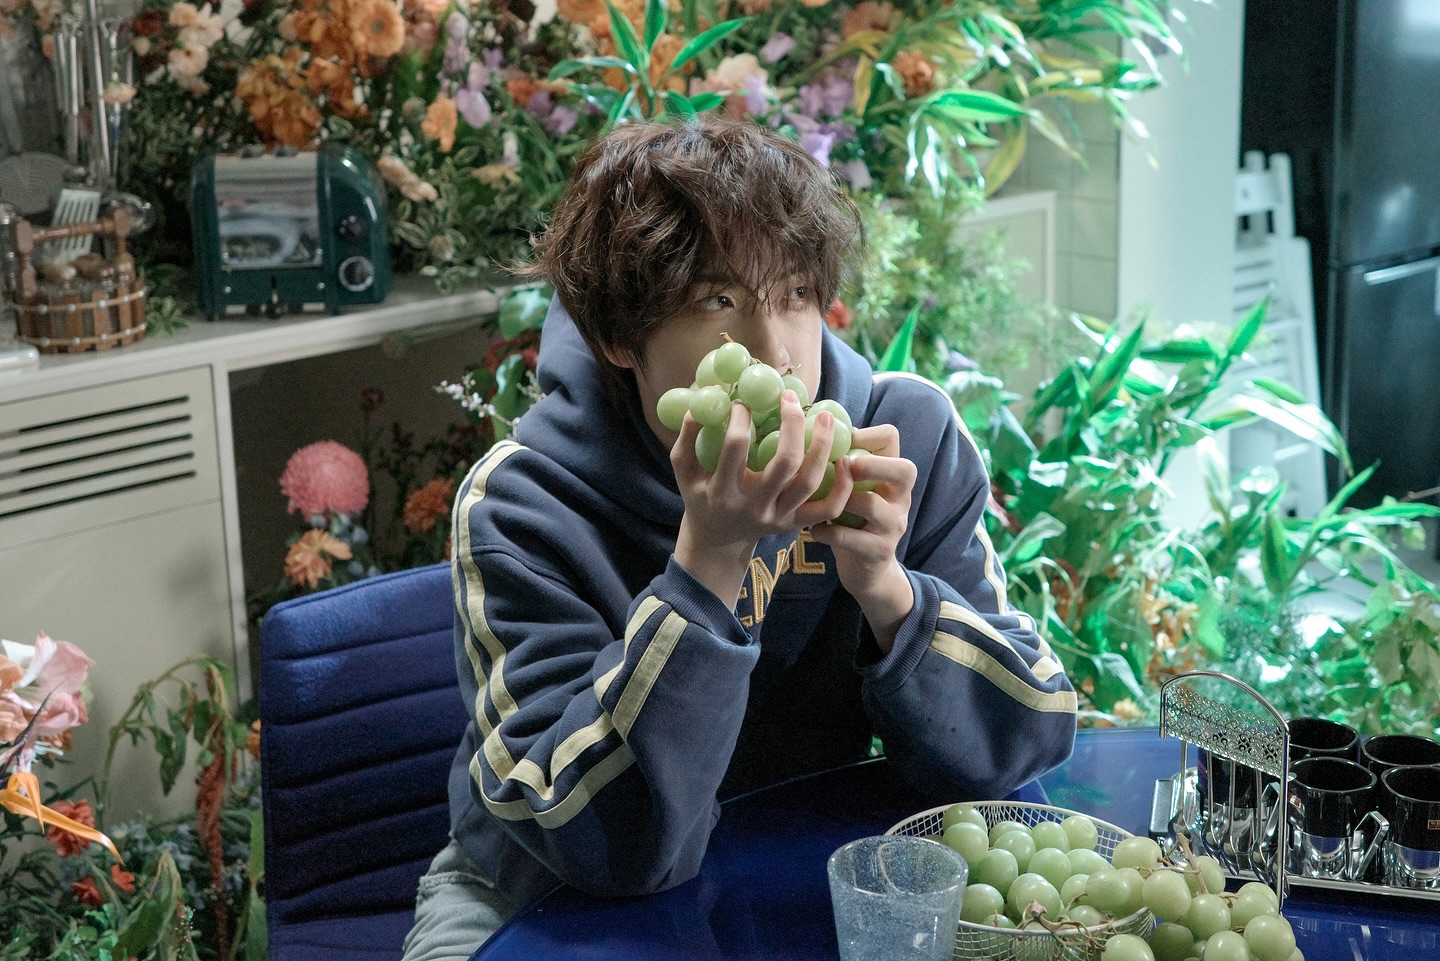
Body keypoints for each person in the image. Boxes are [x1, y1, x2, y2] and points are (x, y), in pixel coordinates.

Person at [402, 116, 1077, 961]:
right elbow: (599, 841)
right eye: (716, 301)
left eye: (795, 293)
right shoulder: (521, 502)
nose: (774, 352)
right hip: (531, 893)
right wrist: (710, 560)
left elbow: (1023, 744)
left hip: (796, 856)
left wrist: (888, 592)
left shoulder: (908, 438)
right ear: (619, 337)